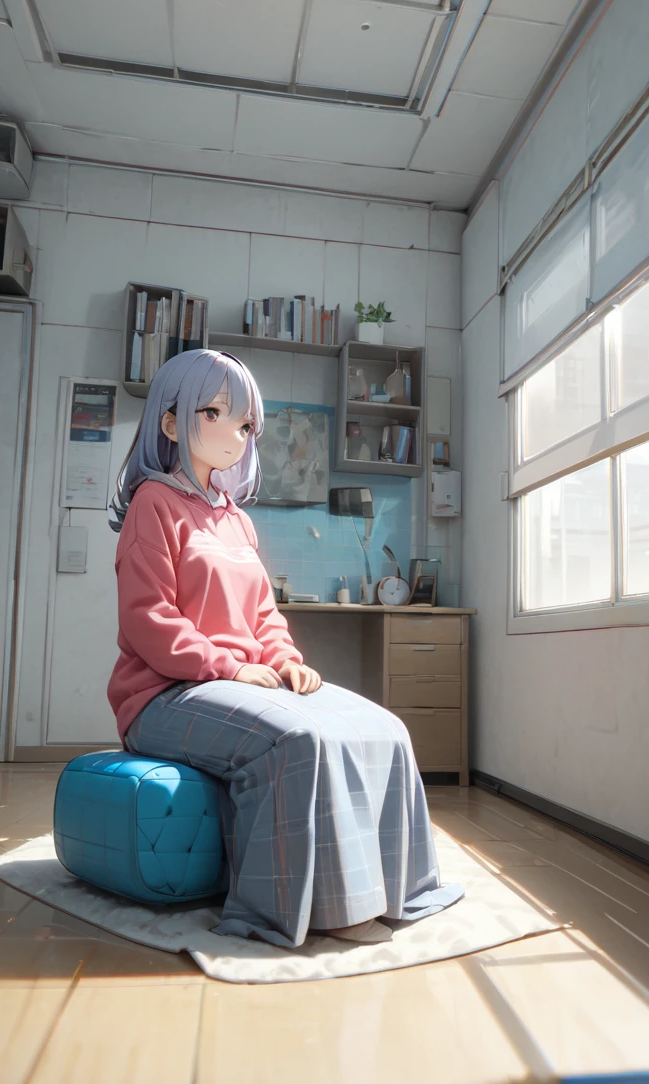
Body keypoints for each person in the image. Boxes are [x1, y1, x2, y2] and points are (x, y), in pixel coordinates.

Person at [107, 348, 462, 948]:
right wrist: (232, 667)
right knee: (295, 741)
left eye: (246, 423)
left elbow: (263, 613)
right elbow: (149, 620)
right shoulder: (153, 504)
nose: (236, 433)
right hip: (163, 695)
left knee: (385, 728)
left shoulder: (236, 520)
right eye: (217, 412)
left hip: (234, 682)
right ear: (171, 423)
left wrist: (285, 661)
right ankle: (300, 909)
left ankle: (402, 887)